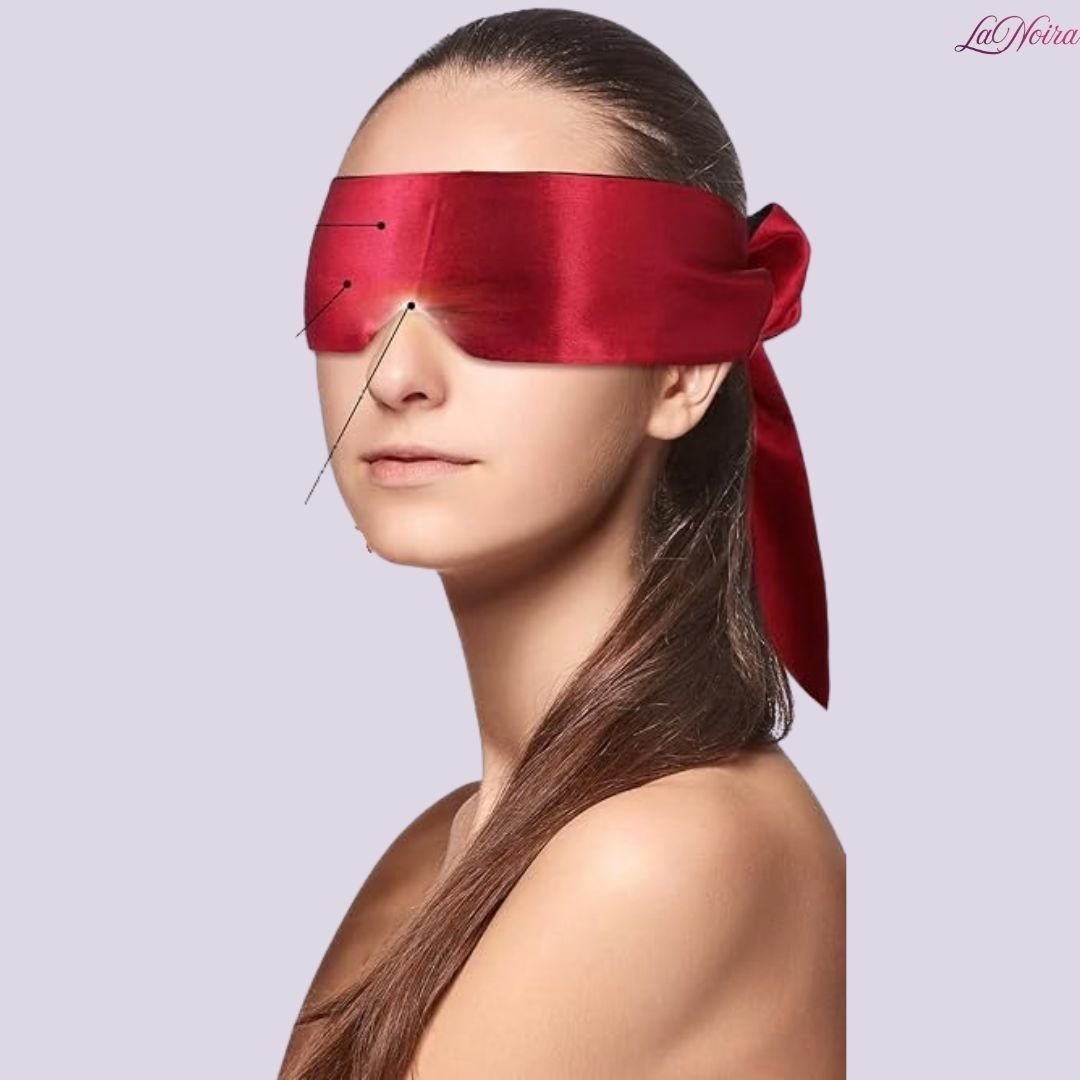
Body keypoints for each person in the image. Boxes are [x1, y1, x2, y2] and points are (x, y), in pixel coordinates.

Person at [280, 9, 844, 1079]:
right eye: (353, 291)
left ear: (682, 370)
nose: (397, 375)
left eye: (506, 297)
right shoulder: (443, 847)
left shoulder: (667, 853)